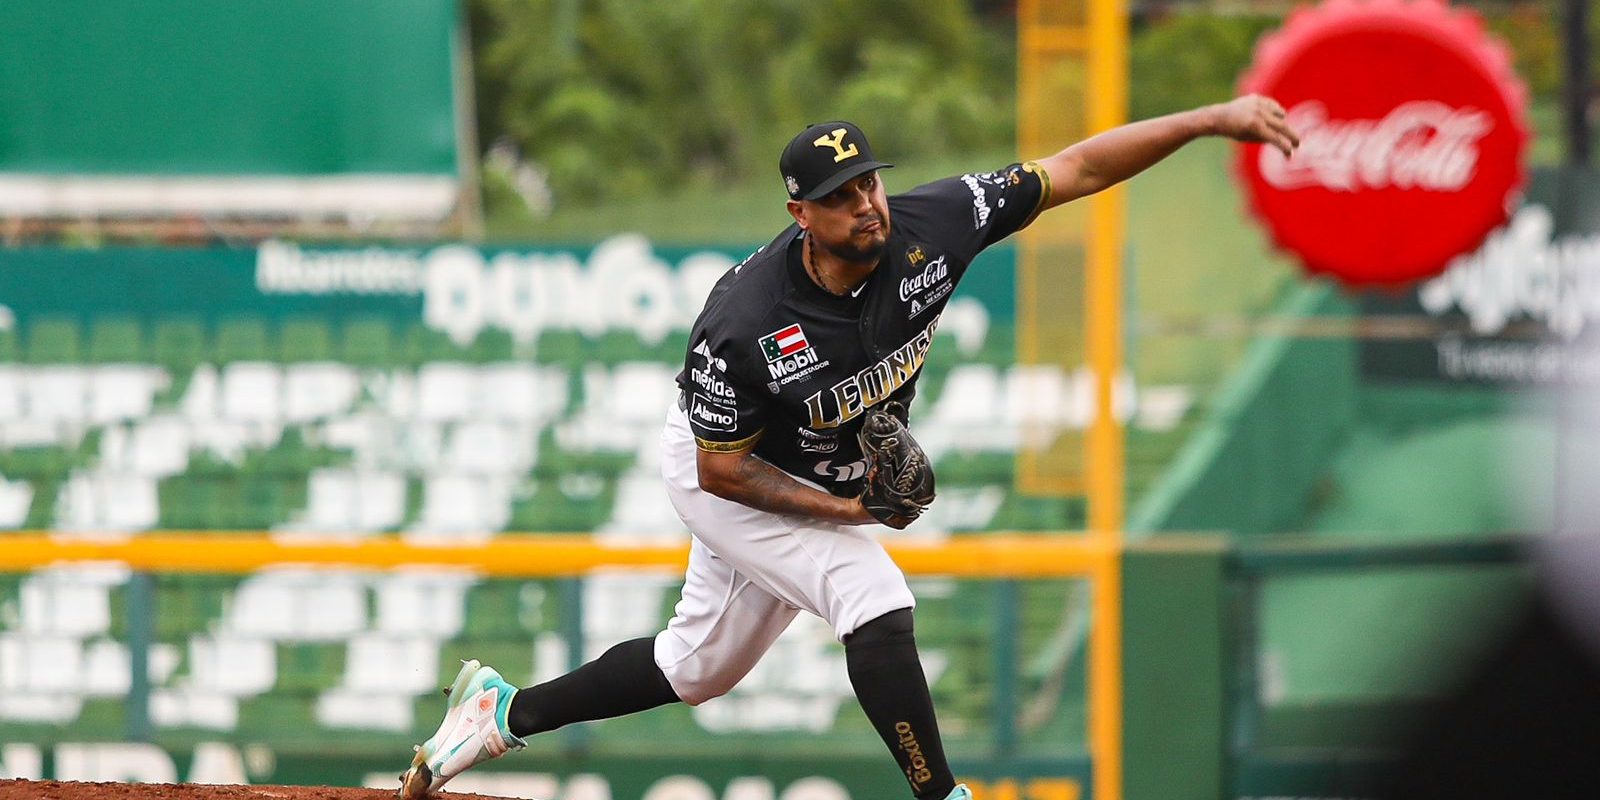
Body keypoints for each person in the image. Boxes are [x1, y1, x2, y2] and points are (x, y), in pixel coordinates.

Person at [398, 95, 1300, 800]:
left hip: (805, 470)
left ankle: (501, 714)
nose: (866, 204)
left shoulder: (930, 228)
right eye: (840, 197)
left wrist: (1212, 120)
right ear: (800, 212)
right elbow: (722, 468)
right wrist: (851, 512)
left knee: (696, 669)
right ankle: (940, 794)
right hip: (727, 473)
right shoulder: (747, 318)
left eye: (869, 181)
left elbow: (1074, 169)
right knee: (867, 587)